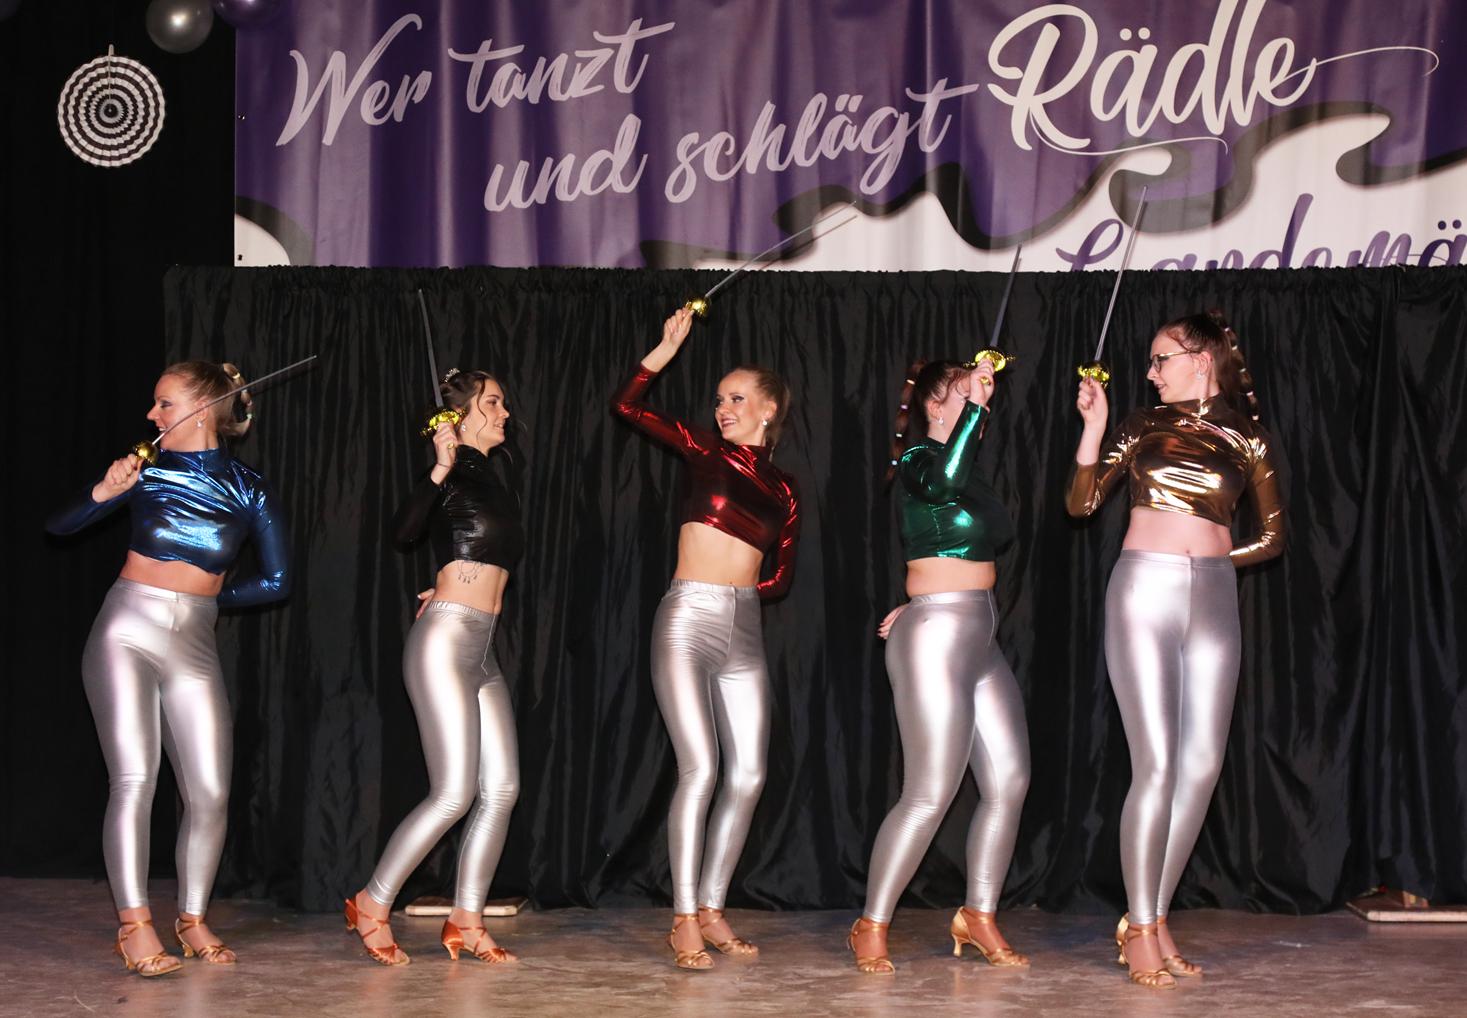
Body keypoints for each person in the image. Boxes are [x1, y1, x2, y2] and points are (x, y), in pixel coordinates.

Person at [47, 361, 290, 976]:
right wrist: (105, 492)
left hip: (195, 642)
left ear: (202, 410)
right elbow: (59, 526)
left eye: (164, 403)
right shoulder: (146, 471)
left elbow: (277, 579)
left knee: (210, 791)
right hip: (127, 628)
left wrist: (206, 600)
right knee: (135, 778)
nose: (152, 414)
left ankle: (191, 917)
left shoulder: (249, 487)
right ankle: (134, 925)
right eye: (154, 404)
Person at [1068, 311, 1284, 988]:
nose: (1150, 371)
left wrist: (1211, 561)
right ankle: (1138, 927)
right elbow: (1080, 505)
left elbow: (1273, 536)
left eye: (1162, 359)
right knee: (1157, 764)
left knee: (1201, 766)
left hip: (1213, 595)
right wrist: (1095, 430)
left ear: (1201, 360)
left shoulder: (1245, 434)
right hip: (1144, 589)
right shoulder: (1140, 423)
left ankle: (1154, 918)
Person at [611, 306, 800, 970]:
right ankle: (684, 916)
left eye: (736, 398)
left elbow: (780, 574)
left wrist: (741, 591)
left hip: (742, 627)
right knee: (701, 768)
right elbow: (628, 407)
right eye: (719, 399)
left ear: (769, 409)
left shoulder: (785, 488)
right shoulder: (704, 450)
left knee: (748, 775)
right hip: (688, 617)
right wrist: (663, 350)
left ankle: (714, 908)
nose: (722, 408)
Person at [848, 356, 1030, 974]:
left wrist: (927, 598)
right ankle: (871, 923)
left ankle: (977, 915)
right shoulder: (918, 459)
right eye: (962, 390)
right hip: (936, 636)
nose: (977, 395)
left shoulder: (967, 469)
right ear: (933, 404)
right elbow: (941, 487)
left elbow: (974, 531)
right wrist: (927, 606)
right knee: (929, 790)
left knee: (1010, 782)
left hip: (978, 632)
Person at [346, 369, 523, 966]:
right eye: (493, 402)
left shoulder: (494, 478)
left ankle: (466, 920)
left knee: (502, 789)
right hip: (446, 640)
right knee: (453, 792)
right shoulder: (452, 473)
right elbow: (404, 532)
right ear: (461, 415)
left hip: (482, 647)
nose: (505, 413)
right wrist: (440, 467)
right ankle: (371, 903)